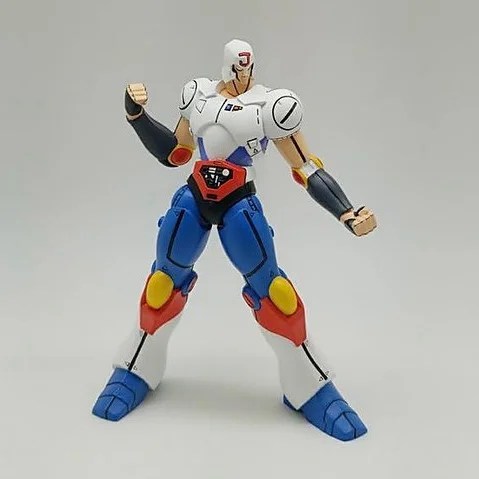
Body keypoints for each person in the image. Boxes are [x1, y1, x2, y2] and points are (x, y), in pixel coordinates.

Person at [92, 39, 377, 441]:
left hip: (239, 203)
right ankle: (137, 368)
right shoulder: (198, 95)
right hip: (193, 198)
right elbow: (176, 152)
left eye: (248, 67)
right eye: (237, 67)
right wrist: (137, 116)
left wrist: (345, 210)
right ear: (226, 66)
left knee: (275, 294)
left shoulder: (271, 106)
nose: (244, 74)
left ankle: (308, 387)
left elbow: (306, 166)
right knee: (161, 285)